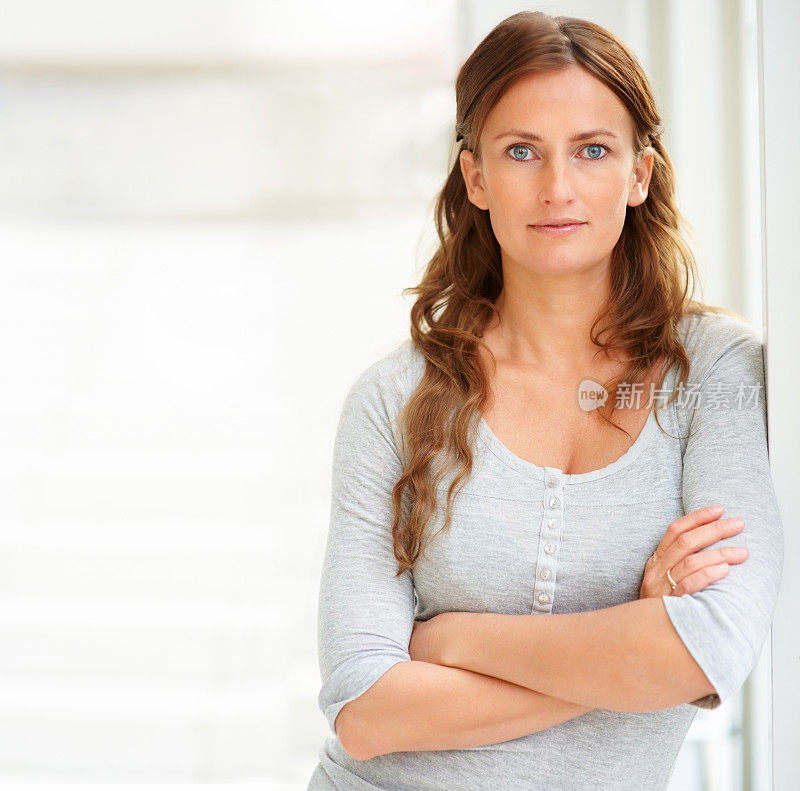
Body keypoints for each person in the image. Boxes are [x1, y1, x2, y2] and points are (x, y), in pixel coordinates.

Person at [308, 10, 784, 791]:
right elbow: (364, 708)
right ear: (476, 178)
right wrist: (629, 648)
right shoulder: (391, 399)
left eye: (592, 150)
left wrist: (453, 639)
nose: (557, 188)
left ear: (639, 174)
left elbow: (708, 647)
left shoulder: (717, 376)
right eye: (521, 151)